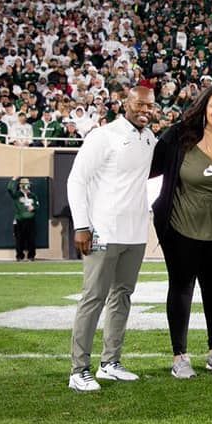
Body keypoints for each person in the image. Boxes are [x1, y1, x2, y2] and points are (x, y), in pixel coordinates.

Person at [66, 86, 157, 392]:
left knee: (122, 297)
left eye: (150, 106)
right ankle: (79, 370)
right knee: (93, 298)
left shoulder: (149, 138)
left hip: (134, 232)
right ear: (124, 104)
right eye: (139, 104)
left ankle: (110, 363)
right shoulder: (103, 136)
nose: (144, 110)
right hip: (102, 230)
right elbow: (76, 179)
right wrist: (82, 225)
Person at [150, 84, 212, 379]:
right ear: (204, 107)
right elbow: (147, 170)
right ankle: (180, 356)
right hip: (179, 229)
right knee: (181, 288)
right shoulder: (178, 137)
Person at [7, 177, 39, 262]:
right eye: (25, 184)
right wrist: (13, 180)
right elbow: (9, 189)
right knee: (19, 239)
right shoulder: (17, 195)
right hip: (20, 220)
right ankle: (19, 256)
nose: (27, 186)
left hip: (30, 220)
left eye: (28, 184)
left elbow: (37, 205)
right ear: (21, 186)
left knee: (31, 239)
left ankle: (31, 256)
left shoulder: (33, 195)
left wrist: (34, 207)